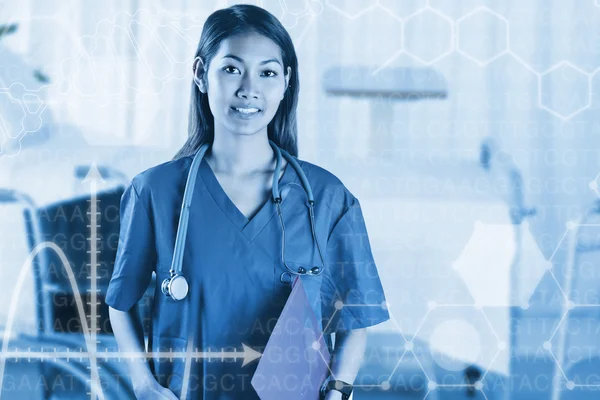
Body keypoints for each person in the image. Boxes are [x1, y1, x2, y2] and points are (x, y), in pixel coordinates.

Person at [106, 4, 389, 399]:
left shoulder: (327, 198)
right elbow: (120, 304)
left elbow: (355, 318)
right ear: (201, 74)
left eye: (268, 72)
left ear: (286, 82)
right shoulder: (154, 191)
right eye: (232, 69)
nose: (249, 89)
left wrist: (340, 390)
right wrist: (144, 385)